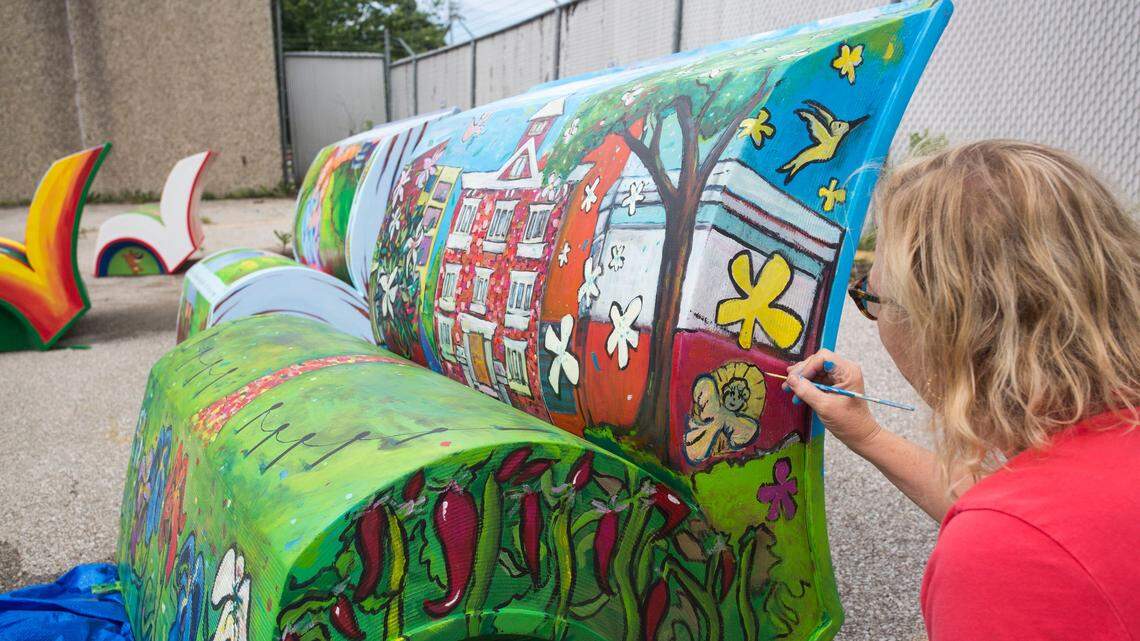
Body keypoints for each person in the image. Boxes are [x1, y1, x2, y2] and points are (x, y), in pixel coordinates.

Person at [783, 140, 1140, 640]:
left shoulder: (1006, 561)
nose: (872, 311)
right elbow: (1040, 513)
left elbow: (1026, 535)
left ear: (944, 325)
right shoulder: (1103, 444)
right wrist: (867, 434)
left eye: (871, 298)